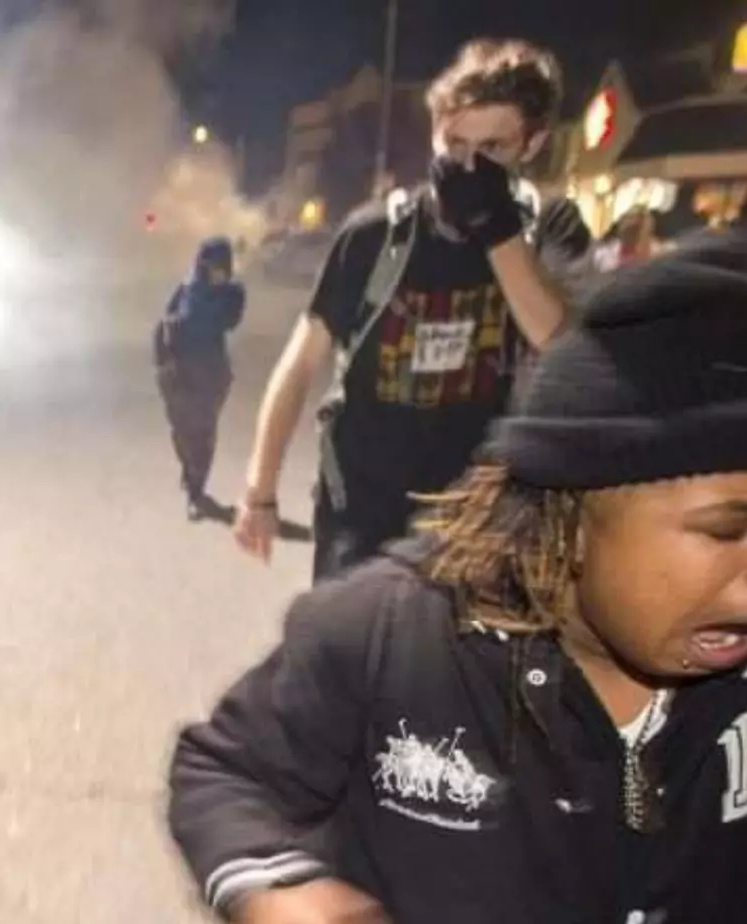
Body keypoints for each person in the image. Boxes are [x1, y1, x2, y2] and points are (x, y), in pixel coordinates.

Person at [170, 259, 747, 924]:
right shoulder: (385, 635)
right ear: (566, 516)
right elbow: (226, 769)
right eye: (728, 525)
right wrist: (275, 887)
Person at [232, 38, 592, 582]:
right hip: (363, 516)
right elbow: (301, 363)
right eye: (455, 142)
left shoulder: (549, 230)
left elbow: (561, 344)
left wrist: (497, 231)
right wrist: (259, 492)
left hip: (479, 522)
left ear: (533, 142)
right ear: (434, 133)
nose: (468, 164)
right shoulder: (375, 234)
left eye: (493, 147)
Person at [153, 237, 247, 521]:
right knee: (182, 431)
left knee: (203, 432)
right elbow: (164, 324)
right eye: (213, 267)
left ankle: (196, 492)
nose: (219, 273)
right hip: (179, 372)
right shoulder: (186, 290)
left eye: (223, 267)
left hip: (210, 372)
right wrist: (162, 361)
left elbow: (229, 320)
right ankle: (189, 473)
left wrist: (200, 312)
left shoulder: (232, 294)